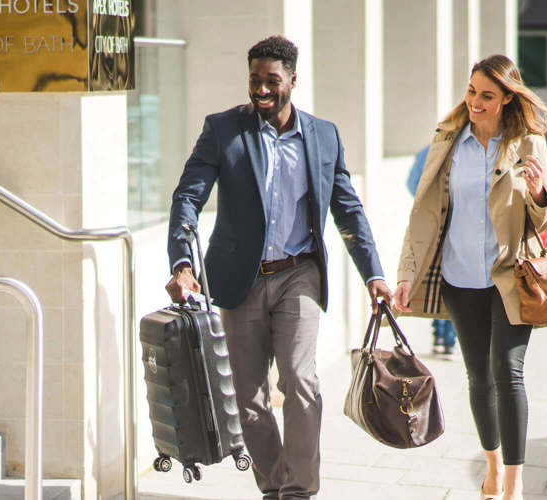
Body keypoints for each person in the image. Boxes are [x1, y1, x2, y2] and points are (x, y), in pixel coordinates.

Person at [165, 35, 392, 500]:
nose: (262, 90)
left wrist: (374, 275)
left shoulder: (323, 136)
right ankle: (274, 488)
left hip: (298, 274)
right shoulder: (223, 129)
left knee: (299, 378)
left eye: (272, 81)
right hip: (240, 279)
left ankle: (300, 491)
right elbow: (188, 196)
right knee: (248, 396)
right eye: (255, 80)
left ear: (293, 79)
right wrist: (183, 263)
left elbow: (347, 210)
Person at [392, 54, 547, 500]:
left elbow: (542, 223)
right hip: (459, 277)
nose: (476, 102)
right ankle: (493, 468)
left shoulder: (528, 142)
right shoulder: (449, 141)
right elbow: (423, 213)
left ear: (506, 99)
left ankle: (515, 484)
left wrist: (541, 193)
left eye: (487, 95)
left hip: (510, 277)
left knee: (508, 371)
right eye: (472, 92)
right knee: (479, 377)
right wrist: (406, 273)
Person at [406, 145, 457, 356]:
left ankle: (440, 335)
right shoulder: (456, 150)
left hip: (432, 223)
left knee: (439, 279)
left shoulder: (425, 152)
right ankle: (449, 337)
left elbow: (412, 184)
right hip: (455, 222)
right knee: (455, 278)